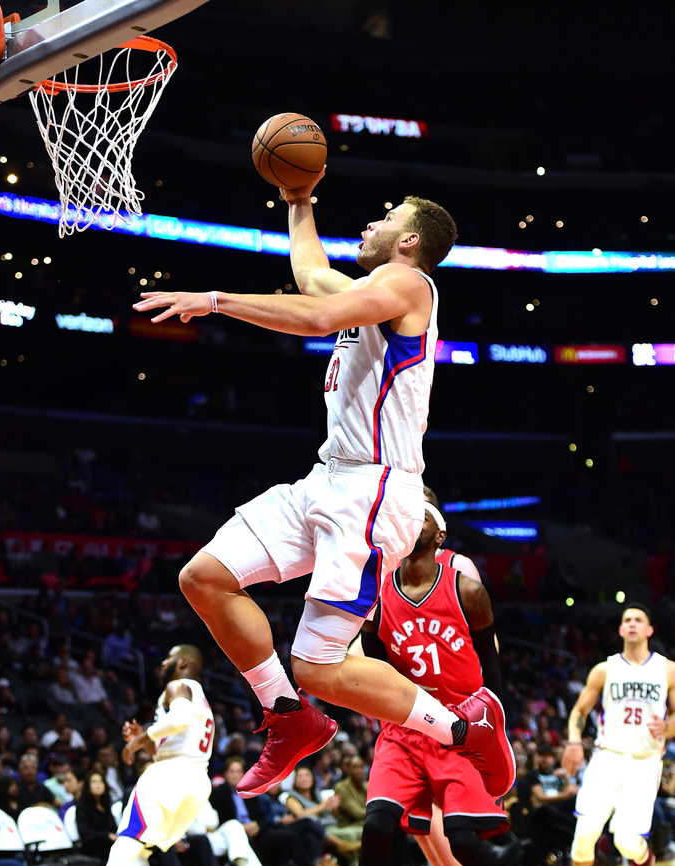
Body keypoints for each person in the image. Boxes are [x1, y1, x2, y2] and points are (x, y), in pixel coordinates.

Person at [133, 174, 514, 806]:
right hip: (327, 477)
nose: (370, 224)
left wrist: (216, 299)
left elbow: (315, 315)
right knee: (203, 577)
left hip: (375, 490)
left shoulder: (409, 284)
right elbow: (312, 277)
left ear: (410, 240)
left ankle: (461, 727)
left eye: (385, 215)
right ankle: (288, 716)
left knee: (320, 665)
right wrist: (298, 199)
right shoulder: (375, 290)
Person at [334, 497, 533, 866]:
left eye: (420, 509)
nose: (406, 514)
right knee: (377, 827)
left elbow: (494, 676)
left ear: (439, 531)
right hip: (405, 729)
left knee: (464, 837)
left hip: (461, 727)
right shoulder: (377, 591)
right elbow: (378, 670)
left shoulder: (466, 586)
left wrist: (492, 737)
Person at [62, 643, 215, 866]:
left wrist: (139, 741)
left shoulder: (179, 686)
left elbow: (180, 719)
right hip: (198, 782)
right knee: (140, 851)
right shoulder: (202, 697)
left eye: (168, 657)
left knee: (123, 845)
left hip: (168, 777)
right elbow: (178, 738)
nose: (162, 662)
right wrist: (148, 742)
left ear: (183, 662)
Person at [562, 603, 675, 866]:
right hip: (607, 756)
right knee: (584, 831)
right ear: (621, 629)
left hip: (645, 760)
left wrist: (668, 727)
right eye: (627, 620)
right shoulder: (604, 669)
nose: (633, 624)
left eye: (639, 619)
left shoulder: (667, 670)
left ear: (650, 630)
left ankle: (643, 860)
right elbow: (579, 713)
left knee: (626, 840)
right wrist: (573, 742)